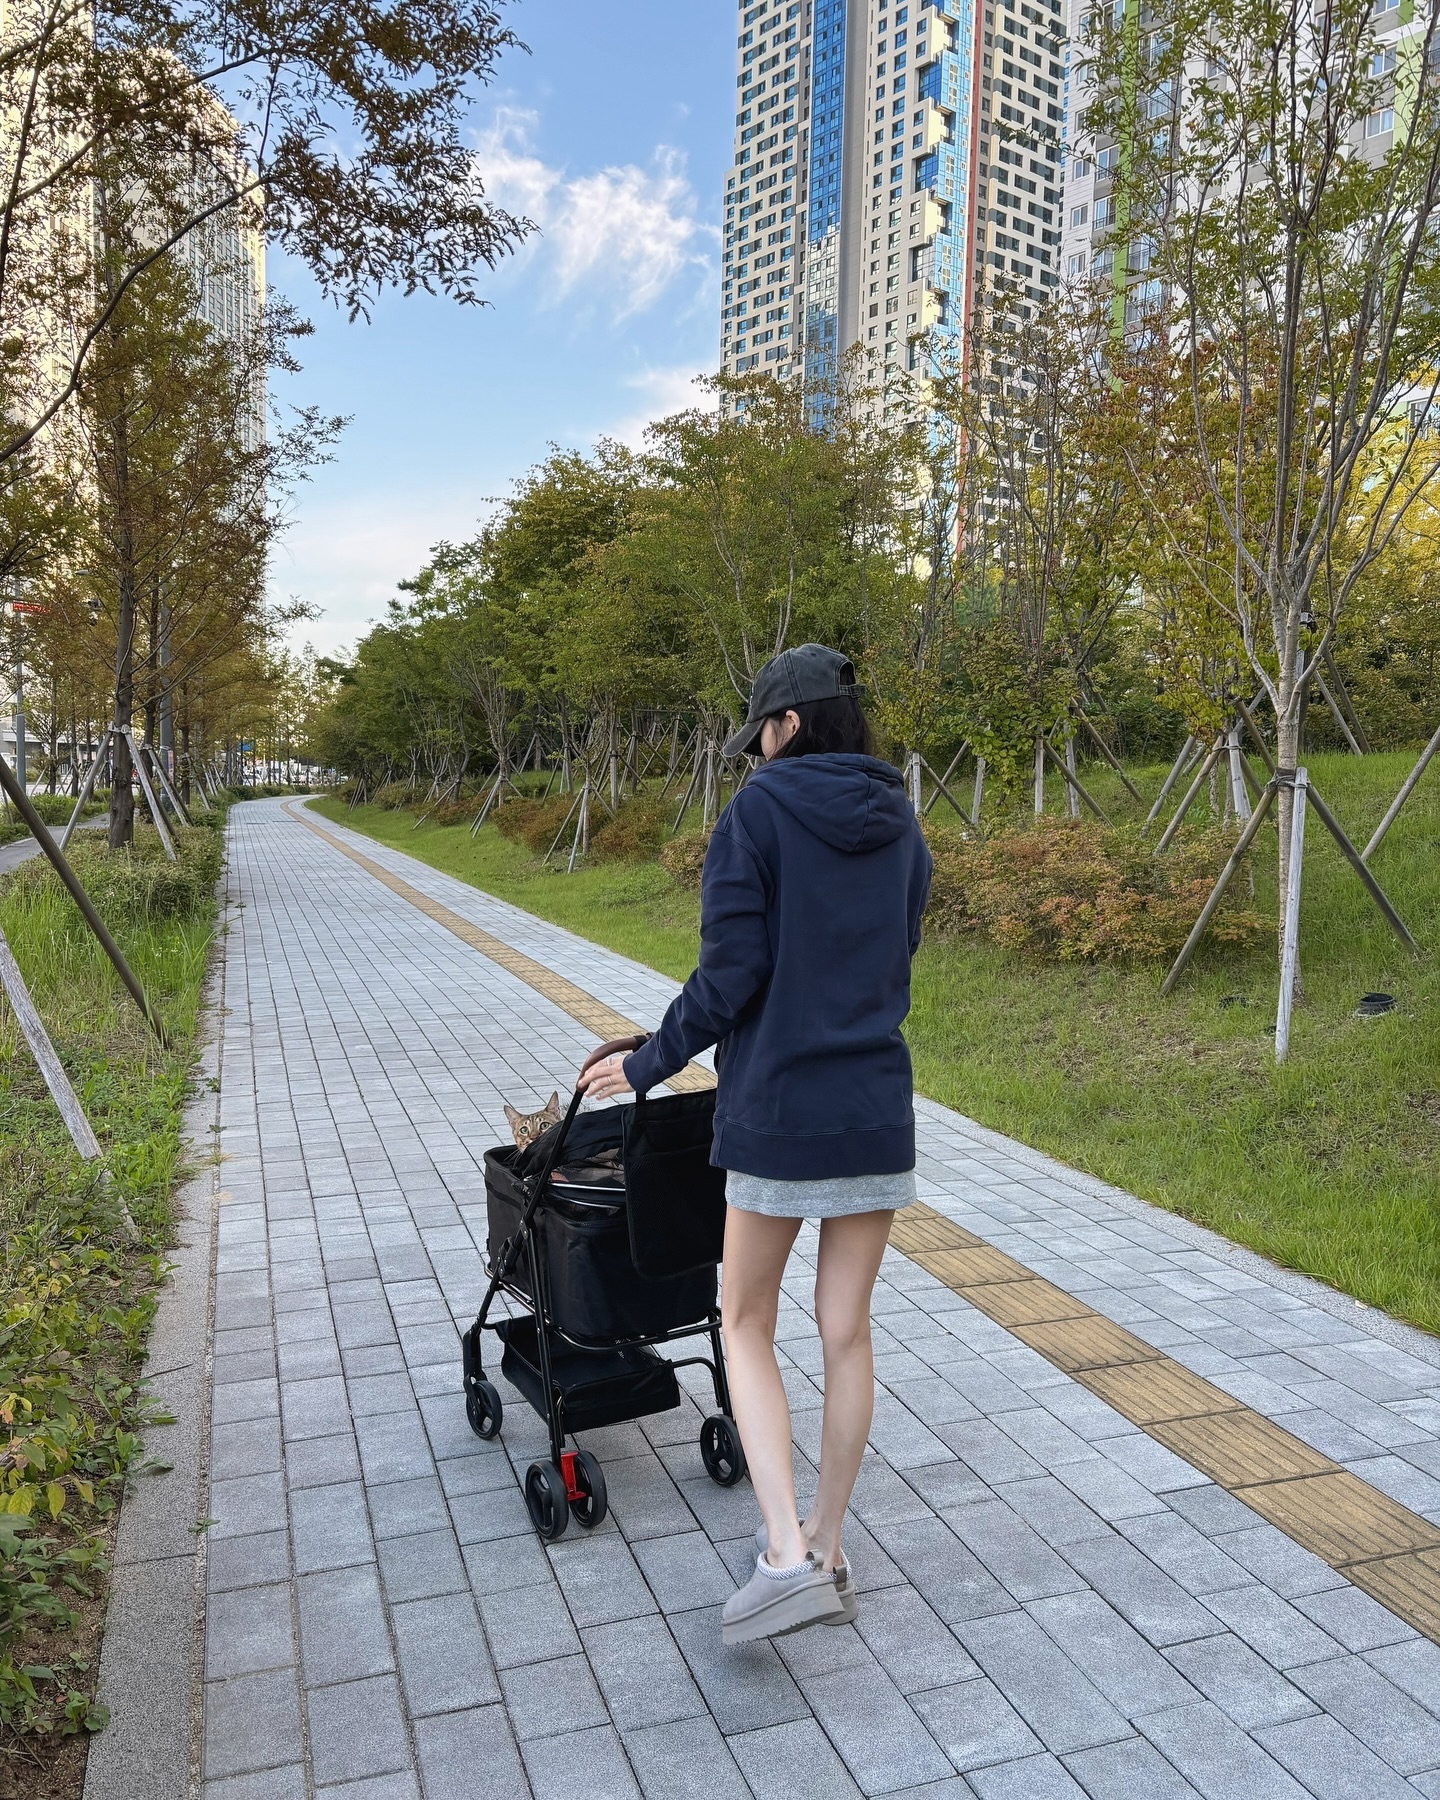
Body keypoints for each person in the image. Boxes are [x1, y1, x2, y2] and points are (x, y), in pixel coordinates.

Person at [579, 644, 932, 1646]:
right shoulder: (903, 820)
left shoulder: (758, 814)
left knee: (743, 1319)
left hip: (778, 1111)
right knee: (847, 1330)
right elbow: (895, 950)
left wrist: (648, 1061)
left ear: (785, 725)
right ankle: (826, 1542)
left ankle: (782, 1554)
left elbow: (730, 975)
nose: (758, 749)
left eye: (761, 732)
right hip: (874, 1104)